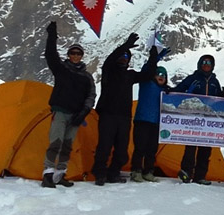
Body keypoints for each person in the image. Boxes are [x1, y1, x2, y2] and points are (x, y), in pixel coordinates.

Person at [92, 33, 154, 186]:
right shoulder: (109, 71)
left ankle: (113, 173)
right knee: (104, 146)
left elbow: (147, 75)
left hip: (125, 117)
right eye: (122, 55)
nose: (124, 58)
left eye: (127, 56)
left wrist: (153, 57)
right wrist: (125, 46)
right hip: (108, 114)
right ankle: (100, 174)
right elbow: (110, 59)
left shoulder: (130, 75)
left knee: (122, 149)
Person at [41, 21, 96, 188]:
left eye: (78, 53)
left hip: (76, 115)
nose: (75, 56)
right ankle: (47, 174)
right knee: (56, 142)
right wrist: (52, 36)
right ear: (69, 54)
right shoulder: (61, 69)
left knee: (67, 145)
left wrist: (84, 112)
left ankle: (60, 174)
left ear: (82, 56)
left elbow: (91, 95)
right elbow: (50, 55)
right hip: (61, 111)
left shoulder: (87, 77)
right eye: (73, 53)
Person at [173, 54, 224, 185]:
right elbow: (178, 90)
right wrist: (170, 91)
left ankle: (200, 176)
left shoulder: (215, 82)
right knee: (190, 147)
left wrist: (222, 96)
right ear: (199, 64)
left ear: (212, 66)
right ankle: (186, 172)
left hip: (208, 122)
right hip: (192, 120)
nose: (206, 65)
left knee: (206, 149)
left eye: (209, 63)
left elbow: (217, 100)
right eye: (204, 62)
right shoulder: (192, 78)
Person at [130, 45, 171, 182]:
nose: (161, 77)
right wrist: (155, 58)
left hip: (156, 123)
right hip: (142, 120)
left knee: (152, 149)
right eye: (159, 74)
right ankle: (136, 171)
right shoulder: (146, 82)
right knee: (140, 147)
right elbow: (146, 69)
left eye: (163, 75)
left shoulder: (165, 91)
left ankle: (148, 171)